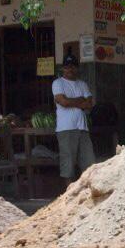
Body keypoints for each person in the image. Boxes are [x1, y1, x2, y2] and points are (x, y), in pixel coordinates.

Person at [52, 53, 94, 181]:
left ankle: (86, 192)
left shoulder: (82, 84)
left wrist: (72, 102)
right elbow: (63, 102)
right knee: (68, 164)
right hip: (66, 129)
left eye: (73, 67)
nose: (70, 69)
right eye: (67, 67)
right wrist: (80, 100)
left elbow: (89, 104)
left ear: (77, 68)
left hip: (83, 128)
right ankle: (68, 195)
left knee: (89, 163)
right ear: (62, 69)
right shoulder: (58, 83)